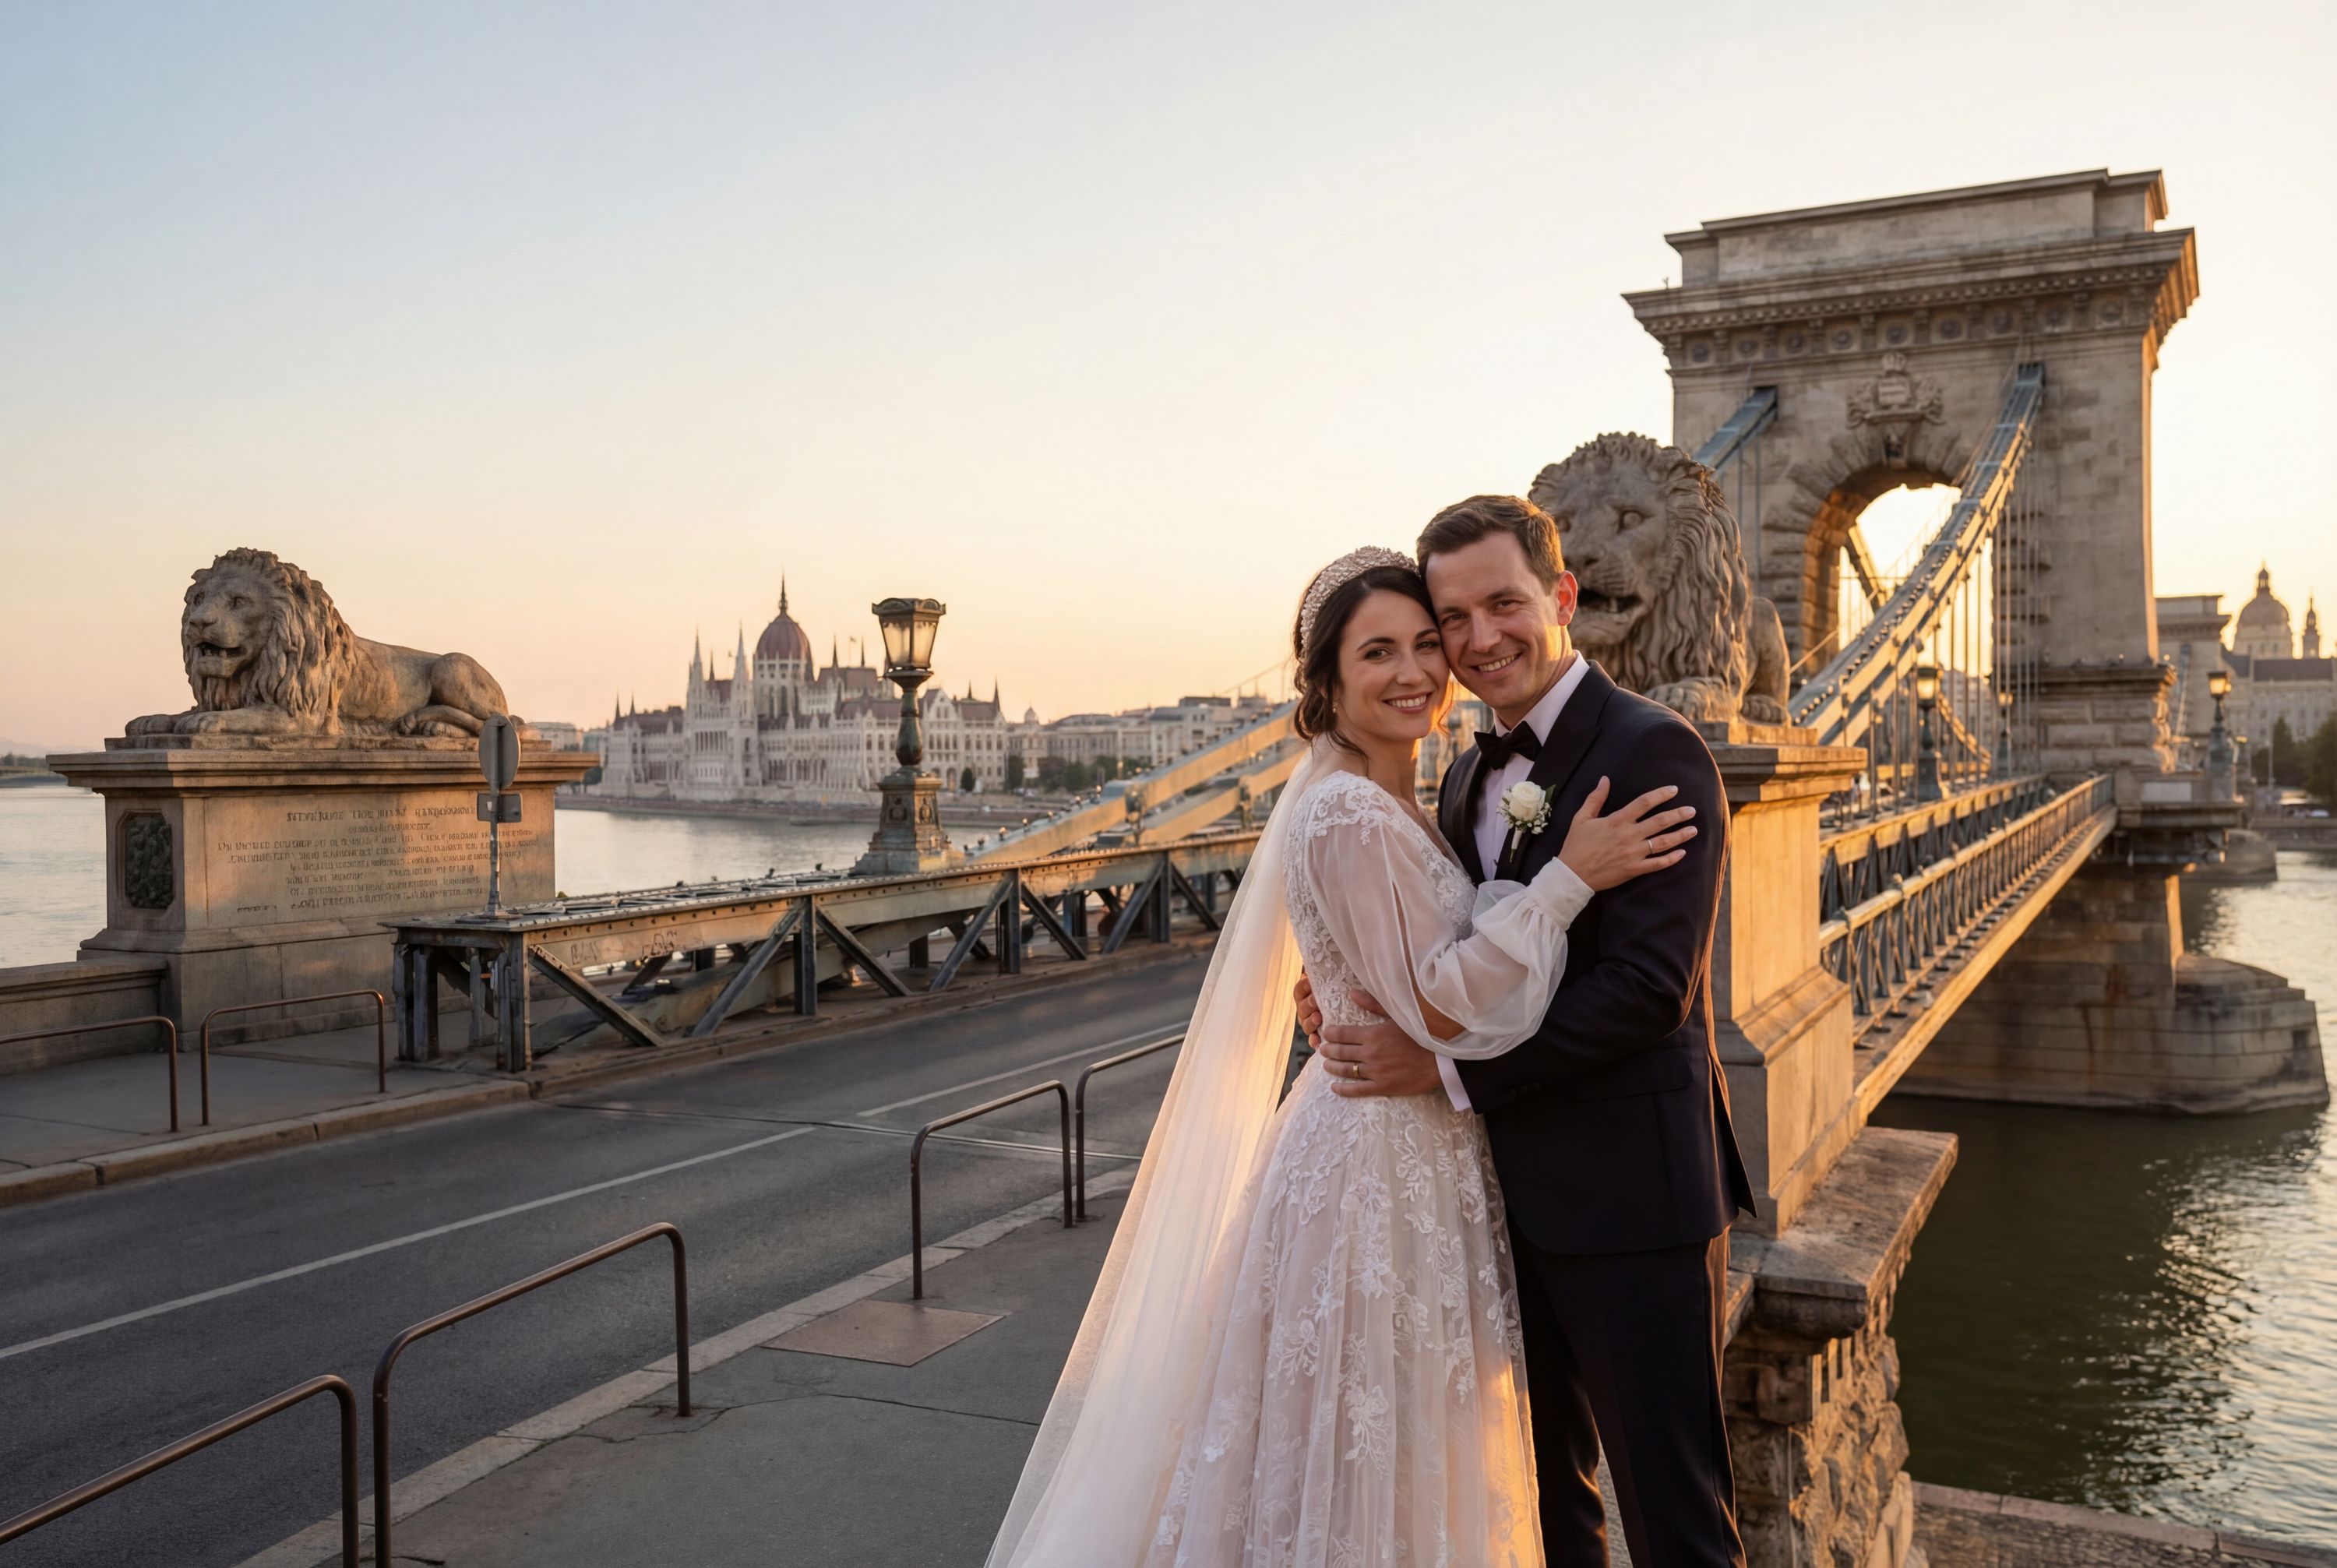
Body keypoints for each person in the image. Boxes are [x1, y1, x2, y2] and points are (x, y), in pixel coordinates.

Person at [985, 544, 1696, 1568]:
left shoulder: (1417, 791)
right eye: (1377, 652)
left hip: (1401, 1144)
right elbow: (1450, 1004)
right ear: (1325, 683)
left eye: (1425, 642)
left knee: (1378, 1443)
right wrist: (1568, 880)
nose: (1415, 670)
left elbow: (1409, 966)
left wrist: (1354, 983)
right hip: (1378, 1164)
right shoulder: (1352, 809)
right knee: (1375, 1447)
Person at [1305, 496, 1757, 1567]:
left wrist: (1445, 1070)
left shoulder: (1656, 750)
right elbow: (1442, 948)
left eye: (1502, 603)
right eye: (1449, 619)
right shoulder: (1463, 771)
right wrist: (1346, 989)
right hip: (1494, 1210)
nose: (1475, 639)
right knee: (1547, 1515)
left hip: (1629, 1210)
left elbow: (1651, 989)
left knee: (1676, 1520)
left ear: (1562, 599)